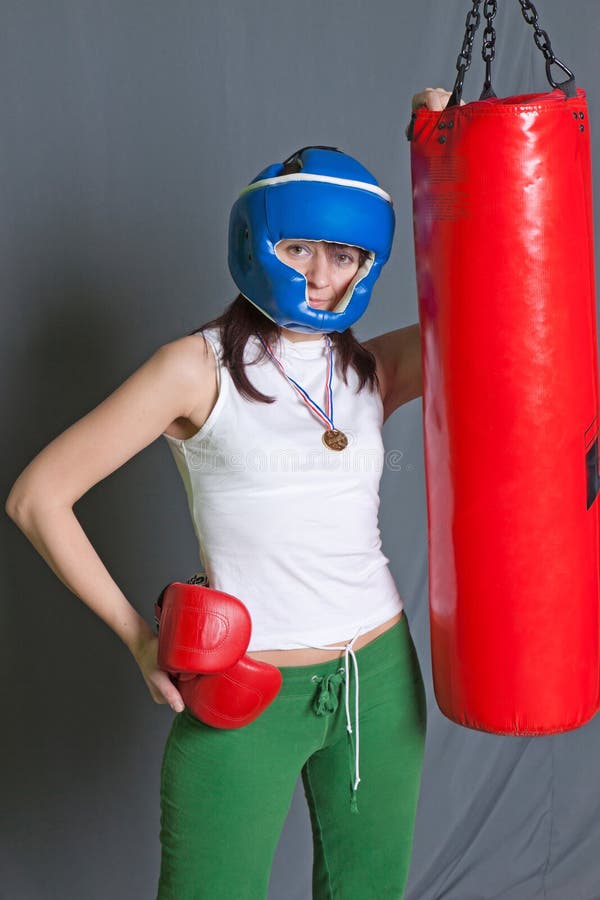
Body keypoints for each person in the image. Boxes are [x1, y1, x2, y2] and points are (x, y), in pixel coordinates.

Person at [6, 89, 454, 899]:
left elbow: (490, 305)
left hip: (378, 682)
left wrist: (446, 152)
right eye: (301, 249)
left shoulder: (372, 370)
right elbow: (38, 496)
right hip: (248, 691)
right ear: (260, 244)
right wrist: (138, 639)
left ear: (366, 266)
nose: (322, 276)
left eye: (344, 257)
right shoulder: (195, 368)